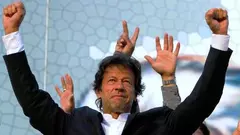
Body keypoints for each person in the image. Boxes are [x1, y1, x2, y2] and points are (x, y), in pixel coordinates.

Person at [2, 1, 232, 135]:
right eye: (111, 81)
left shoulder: (157, 125)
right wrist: (12, 34)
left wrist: (219, 38)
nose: (119, 86)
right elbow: (32, 101)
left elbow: (204, 98)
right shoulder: (73, 125)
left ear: (135, 92)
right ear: (98, 91)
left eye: (127, 82)